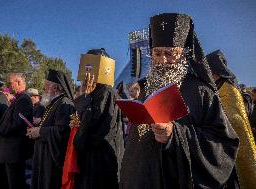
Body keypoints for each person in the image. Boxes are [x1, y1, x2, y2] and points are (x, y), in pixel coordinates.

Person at [120, 13, 239, 189]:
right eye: (157, 53)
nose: (162, 60)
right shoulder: (145, 86)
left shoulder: (201, 92)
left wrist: (174, 135)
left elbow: (224, 144)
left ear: (183, 54)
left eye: (170, 53)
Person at [207, 49, 256, 188]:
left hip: (233, 143)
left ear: (215, 71)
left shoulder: (227, 88)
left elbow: (234, 119)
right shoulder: (219, 86)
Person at [73, 48, 121, 189]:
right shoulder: (91, 91)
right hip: (90, 155)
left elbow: (95, 124)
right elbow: (76, 119)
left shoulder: (105, 91)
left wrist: (85, 98)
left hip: (100, 157)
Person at [27, 69, 75, 189]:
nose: (43, 89)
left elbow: (63, 131)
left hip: (52, 161)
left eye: (46, 86)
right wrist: (37, 130)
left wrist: (40, 131)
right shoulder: (54, 103)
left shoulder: (64, 104)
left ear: (55, 88)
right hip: (44, 155)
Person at [0, 73, 33, 189]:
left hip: (13, 152)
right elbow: (11, 122)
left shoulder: (23, 100)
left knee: (15, 183)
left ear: (19, 82)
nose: (8, 85)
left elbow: (16, 125)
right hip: (10, 151)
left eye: (10, 83)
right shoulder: (19, 99)